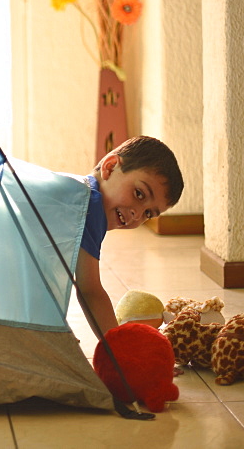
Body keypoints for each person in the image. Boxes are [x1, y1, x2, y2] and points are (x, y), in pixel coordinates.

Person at [73, 136, 184, 338]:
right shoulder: (88, 206)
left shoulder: (81, 194)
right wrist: (121, 352)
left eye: (149, 213)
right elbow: (90, 291)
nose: (137, 214)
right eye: (139, 194)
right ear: (110, 166)